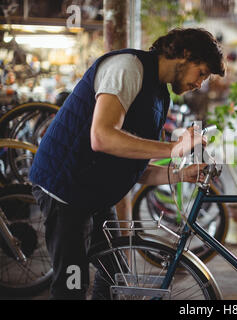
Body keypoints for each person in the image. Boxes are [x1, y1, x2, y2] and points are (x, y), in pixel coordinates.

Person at [29, 28, 225, 300]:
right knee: (72, 285)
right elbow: (102, 137)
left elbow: (136, 166)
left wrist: (181, 174)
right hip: (66, 190)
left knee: (116, 277)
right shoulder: (128, 68)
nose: (200, 83)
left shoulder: (160, 95)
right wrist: (173, 148)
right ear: (185, 55)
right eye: (202, 72)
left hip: (93, 192)